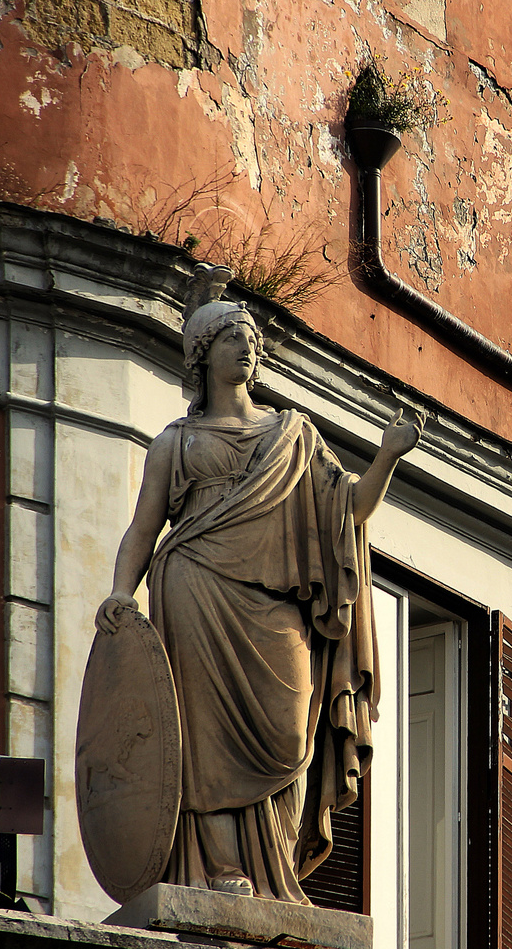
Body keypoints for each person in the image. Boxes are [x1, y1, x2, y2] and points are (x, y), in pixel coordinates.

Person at [95, 299, 420, 902]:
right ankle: (222, 870)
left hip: (275, 606)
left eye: (250, 339)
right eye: (229, 339)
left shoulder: (293, 435)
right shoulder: (176, 442)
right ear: (202, 355)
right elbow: (144, 527)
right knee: (206, 740)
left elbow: (349, 510)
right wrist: (121, 590)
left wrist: (387, 457)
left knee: (292, 731)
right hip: (194, 592)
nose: (245, 348)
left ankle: (280, 870)